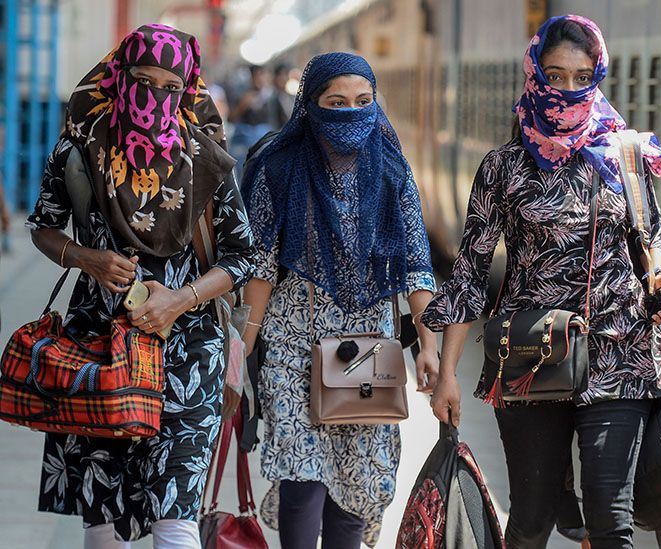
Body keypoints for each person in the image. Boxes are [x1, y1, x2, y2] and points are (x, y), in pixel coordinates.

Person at [423, 15, 661, 549]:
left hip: (620, 350)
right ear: (534, 75)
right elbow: (471, 273)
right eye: (555, 75)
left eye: (581, 76)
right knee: (531, 519)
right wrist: (448, 372)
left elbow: (650, 232)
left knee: (610, 520)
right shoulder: (504, 167)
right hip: (531, 354)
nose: (568, 89)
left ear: (598, 75)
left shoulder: (625, 154)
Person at [25, 24, 256, 548]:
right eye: (143, 80)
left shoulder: (209, 160)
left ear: (188, 89)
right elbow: (43, 225)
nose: (156, 97)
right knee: (104, 517)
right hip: (99, 350)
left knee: (174, 518)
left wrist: (183, 300)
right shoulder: (80, 149)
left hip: (188, 354)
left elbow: (245, 256)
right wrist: (87, 259)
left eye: (171, 87)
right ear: (118, 77)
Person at [240, 52, 439, 549]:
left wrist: (429, 346)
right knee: (302, 481)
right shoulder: (278, 168)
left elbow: (416, 263)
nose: (351, 112)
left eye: (363, 101)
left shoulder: (392, 169)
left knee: (356, 491)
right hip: (291, 344)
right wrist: (239, 346)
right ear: (311, 105)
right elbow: (261, 267)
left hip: (367, 345)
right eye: (336, 102)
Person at [270, 63, 296, 129]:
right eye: (280, 75)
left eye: (285, 75)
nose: (283, 78)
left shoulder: (290, 96)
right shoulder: (271, 97)